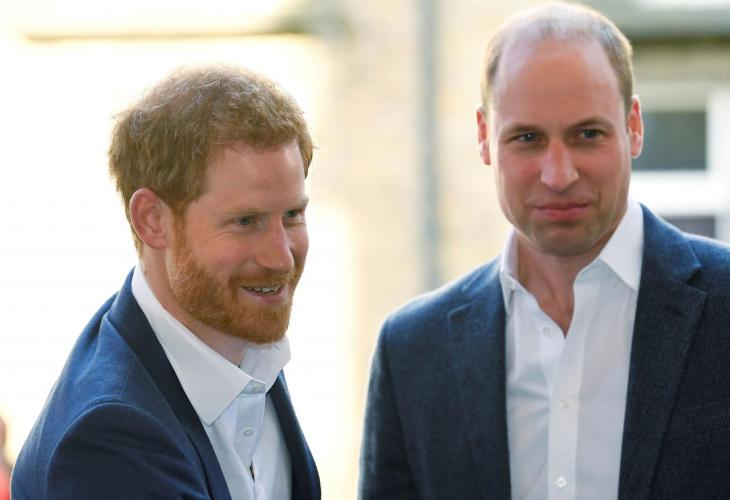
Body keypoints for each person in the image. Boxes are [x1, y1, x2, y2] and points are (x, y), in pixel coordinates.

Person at [359, 2, 730, 499]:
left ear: (634, 126)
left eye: (587, 134)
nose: (558, 175)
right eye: (528, 138)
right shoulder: (412, 351)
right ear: (484, 137)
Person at [12, 65, 320, 500]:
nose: (281, 257)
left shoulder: (240, 340)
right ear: (152, 220)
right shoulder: (106, 440)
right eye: (245, 221)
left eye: (292, 215)